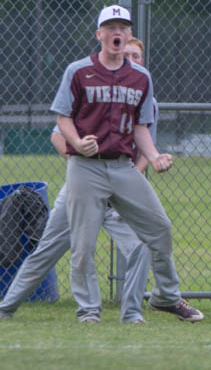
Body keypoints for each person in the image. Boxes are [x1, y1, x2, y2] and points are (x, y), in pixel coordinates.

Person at [50, 5, 203, 325]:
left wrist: (156, 156)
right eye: (111, 26)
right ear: (100, 35)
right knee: (83, 244)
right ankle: (88, 310)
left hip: (123, 167)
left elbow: (140, 128)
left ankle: (165, 296)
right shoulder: (78, 71)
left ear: (129, 34)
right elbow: (62, 117)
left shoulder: (140, 78)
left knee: (159, 227)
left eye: (123, 26)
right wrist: (77, 143)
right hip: (85, 167)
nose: (117, 31)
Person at [1, 38, 152, 324]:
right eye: (127, 53)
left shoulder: (144, 93)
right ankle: (7, 307)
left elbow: (145, 148)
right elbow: (58, 133)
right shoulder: (87, 81)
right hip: (83, 185)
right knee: (49, 249)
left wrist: (125, 180)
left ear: (142, 60)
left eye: (137, 56)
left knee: (140, 245)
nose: (132, 59)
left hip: (122, 189)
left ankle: (132, 313)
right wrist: (84, 169)